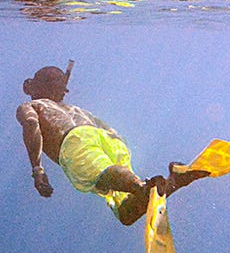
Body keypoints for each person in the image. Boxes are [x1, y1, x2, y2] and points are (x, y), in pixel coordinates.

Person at [16, 62, 208, 226]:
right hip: (111, 141)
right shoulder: (74, 109)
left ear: (34, 87)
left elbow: (32, 126)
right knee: (126, 214)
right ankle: (175, 181)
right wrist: (118, 144)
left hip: (74, 143)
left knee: (113, 179)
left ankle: (142, 187)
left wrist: (37, 169)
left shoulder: (32, 105)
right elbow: (106, 130)